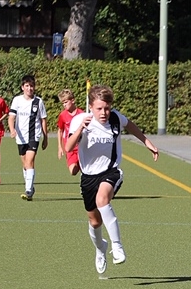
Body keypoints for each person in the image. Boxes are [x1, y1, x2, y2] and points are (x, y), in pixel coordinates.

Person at [65, 85, 159, 274]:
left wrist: (147, 142)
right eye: (99, 108)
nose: (104, 113)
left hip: (111, 172)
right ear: (91, 107)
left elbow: (130, 125)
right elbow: (68, 147)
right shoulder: (80, 121)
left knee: (102, 200)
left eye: (107, 108)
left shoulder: (115, 118)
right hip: (88, 177)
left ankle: (117, 246)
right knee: (94, 222)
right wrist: (81, 129)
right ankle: (101, 249)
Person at [8, 75, 48, 200]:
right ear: (22, 87)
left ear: (34, 87)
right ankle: (30, 186)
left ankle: (28, 190)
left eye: (31, 86)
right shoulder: (17, 100)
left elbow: (43, 120)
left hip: (34, 136)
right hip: (20, 137)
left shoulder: (38, 101)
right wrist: (12, 129)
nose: (29, 88)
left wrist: (45, 137)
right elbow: (11, 117)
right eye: (27, 86)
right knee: (25, 164)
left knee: (30, 161)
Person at [56, 89, 84, 175]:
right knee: (73, 171)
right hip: (70, 147)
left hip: (81, 146)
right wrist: (60, 147)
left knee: (85, 170)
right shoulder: (63, 115)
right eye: (63, 103)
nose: (64, 105)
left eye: (66, 102)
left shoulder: (81, 114)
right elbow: (60, 131)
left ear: (73, 100)